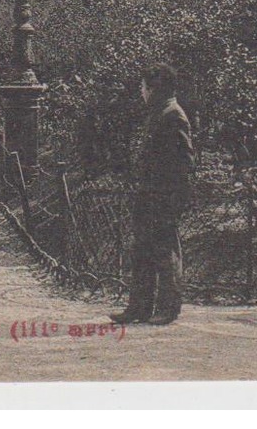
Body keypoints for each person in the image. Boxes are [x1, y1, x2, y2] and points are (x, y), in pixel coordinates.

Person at [110, 63, 194, 327]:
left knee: (165, 252)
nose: (141, 93)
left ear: (154, 89)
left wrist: (172, 199)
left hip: (163, 196)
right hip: (149, 194)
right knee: (142, 250)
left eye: (144, 88)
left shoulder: (172, 115)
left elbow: (182, 163)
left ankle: (168, 309)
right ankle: (139, 307)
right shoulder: (161, 112)